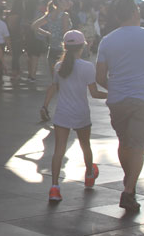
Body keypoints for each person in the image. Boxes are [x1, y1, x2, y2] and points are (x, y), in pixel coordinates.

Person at [95, 0, 144, 214]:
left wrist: (115, 86)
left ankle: (129, 182)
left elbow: (100, 76)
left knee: (125, 142)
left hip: (117, 100)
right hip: (142, 98)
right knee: (138, 145)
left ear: (117, 16)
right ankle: (128, 190)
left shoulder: (107, 41)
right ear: (136, 12)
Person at [41, 30, 107, 202]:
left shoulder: (58, 66)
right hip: (81, 113)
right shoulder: (87, 67)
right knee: (85, 146)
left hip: (62, 112)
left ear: (65, 46)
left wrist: (44, 105)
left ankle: (54, 188)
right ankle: (90, 175)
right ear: (82, 46)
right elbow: (94, 93)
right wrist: (114, 94)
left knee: (58, 151)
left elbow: (53, 87)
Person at [34, 0, 74, 72]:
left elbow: (34, 26)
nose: (69, 2)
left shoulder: (49, 15)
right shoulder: (65, 15)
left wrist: (48, 34)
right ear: (59, 2)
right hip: (63, 50)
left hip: (52, 49)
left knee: (54, 80)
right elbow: (65, 34)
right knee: (64, 78)